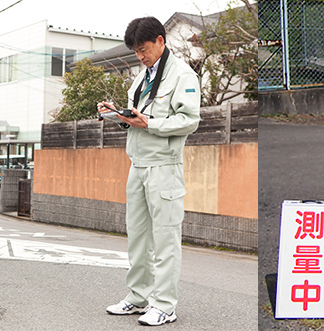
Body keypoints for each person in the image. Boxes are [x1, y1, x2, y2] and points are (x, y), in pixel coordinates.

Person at [98, 16, 200, 327]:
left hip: (165, 167)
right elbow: (136, 117)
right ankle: (138, 297)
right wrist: (118, 115)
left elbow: (190, 120)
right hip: (138, 164)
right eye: (136, 52)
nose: (140, 57)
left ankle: (165, 305)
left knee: (166, 238)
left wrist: (150, 123)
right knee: (138, 237)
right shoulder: (141, 78)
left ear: (160, 40)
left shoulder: (183, 75)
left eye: (144, 50)